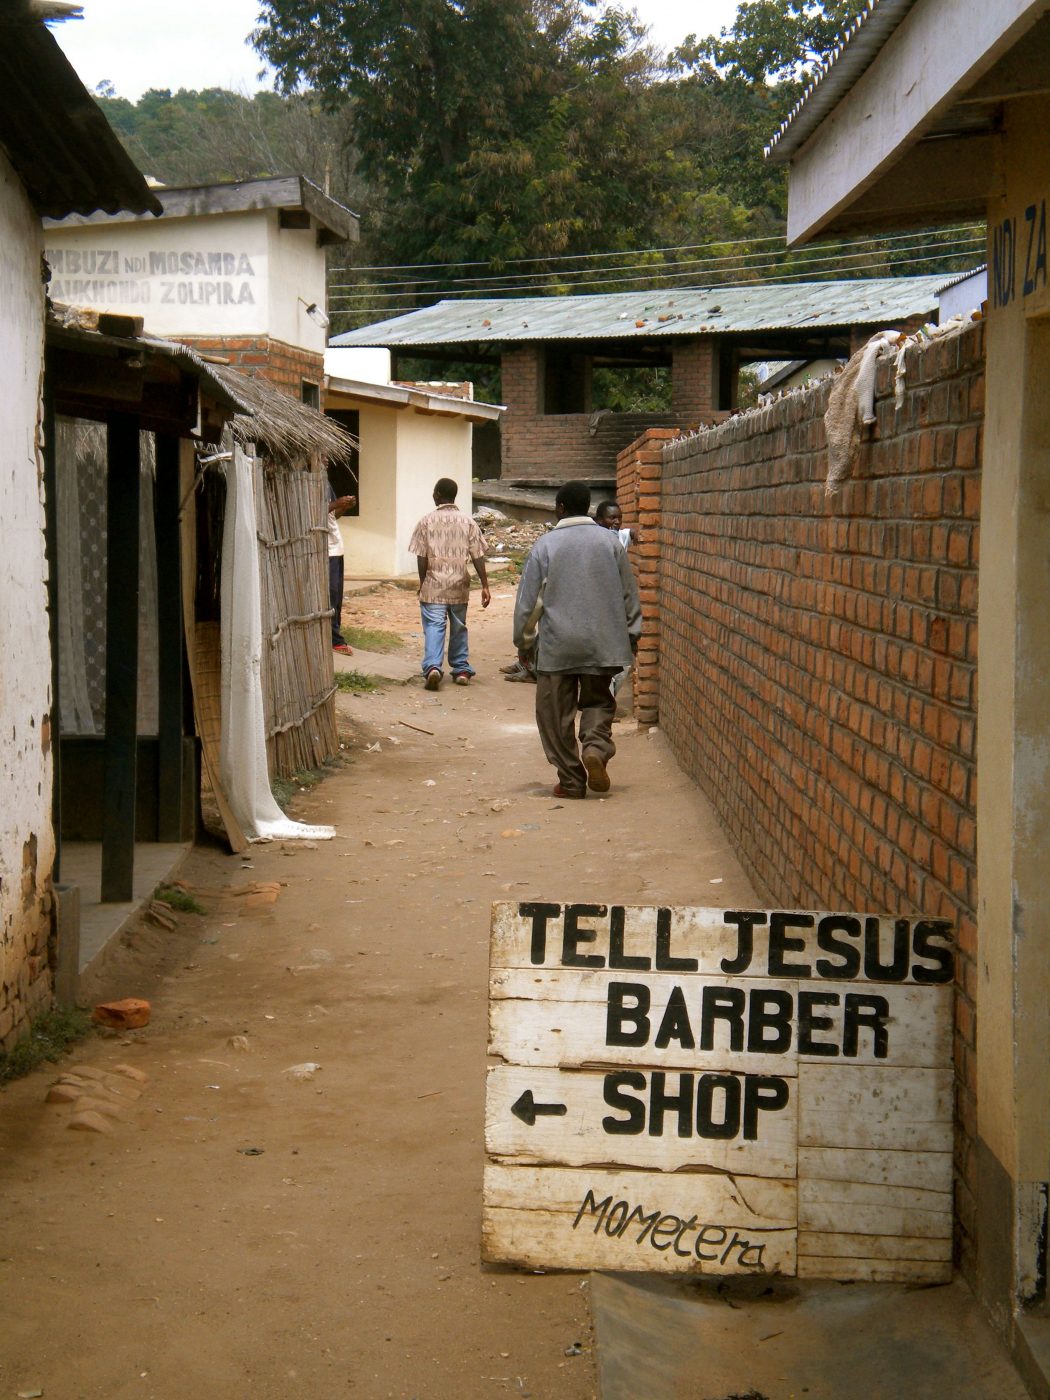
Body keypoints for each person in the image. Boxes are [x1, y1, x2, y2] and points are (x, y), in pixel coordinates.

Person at [512, 480, 641, 798]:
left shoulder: (545, 546)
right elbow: (629, 595)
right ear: (588, 508)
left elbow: (530, 603)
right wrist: (631, 634)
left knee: (553, 713)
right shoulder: (611, 543)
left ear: (560, 508)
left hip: (559, 646)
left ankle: (570, 779)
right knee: (598, 701)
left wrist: (524, 642)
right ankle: (595, 748)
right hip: (604, 643)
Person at [409, 477, 491, 689]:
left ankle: (433, 667)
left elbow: (421, 556)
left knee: (435, 626)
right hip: (459, 585)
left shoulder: (425, 521)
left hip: (433, 585)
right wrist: (485, 585)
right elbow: (478, 555)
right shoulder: (468, 522)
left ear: (437, 494)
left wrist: (422, 581)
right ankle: (461, 669)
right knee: (459, 627)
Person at [328, 482, 357, 653]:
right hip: (325, 548)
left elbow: (331, 516)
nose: (325, 460)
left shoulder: (326, 482)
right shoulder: (310, 481)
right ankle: (334, 639)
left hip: (336, 547)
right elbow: (311, 512)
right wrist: (336, 503)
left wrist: (343, 507)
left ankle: (335, 634)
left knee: (337, 595)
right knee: (330, 593)